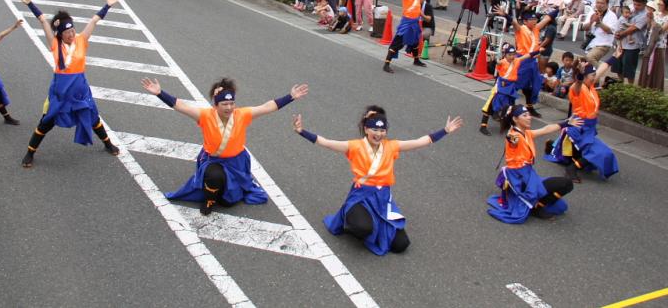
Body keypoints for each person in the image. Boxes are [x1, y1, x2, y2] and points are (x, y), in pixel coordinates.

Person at [292, 108, 462, 255]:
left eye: (382, 131)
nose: (378, 134)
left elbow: (420, 142)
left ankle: (374, 225)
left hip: (382, 199)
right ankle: (349, 218)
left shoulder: (392, 146)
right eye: (374, 129)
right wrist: (302, 131)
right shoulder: (355, 146)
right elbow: (327, 143)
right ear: (366, 129)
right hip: (361, 197)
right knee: (363, 228)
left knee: (401, 245)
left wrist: (445, 130)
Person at [143, 77, 308, 215]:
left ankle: (221, 192)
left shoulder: (242, 115)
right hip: (213, 161)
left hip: (236, 162)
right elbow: (181, 106)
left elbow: (267, 107)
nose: (229, 108)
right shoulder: (205, 116)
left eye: (231, 104)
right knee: (214, 178)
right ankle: (208, 199)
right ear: (216, 104)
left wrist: (290, 96)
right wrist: (159, 93)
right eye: (224, 104)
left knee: (228, 202)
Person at [16, 0, 121, 168]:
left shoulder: (81, 39)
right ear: (60, 34)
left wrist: (108, 5)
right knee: (46, 122)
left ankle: (108, 144)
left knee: (93, 118)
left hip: (80, 90)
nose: (72, 34)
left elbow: (94, 20)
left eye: (73, 30)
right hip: (60, 93)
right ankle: (30, 152)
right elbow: (43, 21)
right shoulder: (54, 44)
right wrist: (30, 4)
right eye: (67, 32)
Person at [487, 105, 580, 223]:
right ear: (515, 119)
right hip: (519, 179)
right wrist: (511, 138)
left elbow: (546, 129)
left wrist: (566, 123)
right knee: (565, 184)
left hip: (528, 175)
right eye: (524, 115)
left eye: (529, 115)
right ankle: (537, 207)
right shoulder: (513, 135)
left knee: (564, 190)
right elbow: (512, 140)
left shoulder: (527, 133)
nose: (529, 117)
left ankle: (537, 203)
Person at [545, 53, 620, 181]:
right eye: (592, 76)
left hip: (589, 127)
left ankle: (553, 147)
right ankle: (571, 170)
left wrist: (615, 56)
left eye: (594, 75)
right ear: (584, 77)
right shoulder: (577, 88)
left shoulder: (590, 85)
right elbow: (578, 82)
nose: (595, 77)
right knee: (600, 152)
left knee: (580, 154)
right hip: (579, 126)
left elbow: (602, 68)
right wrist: (579, 75)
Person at [494, 7, 551, 116]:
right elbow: (514, 23)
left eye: (535, 19)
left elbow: (547, 18)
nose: (534, 21)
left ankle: (529, 107)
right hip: (522, 61)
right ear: (525, 21)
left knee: (531, 87)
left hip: (532, 62)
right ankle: (497, 109)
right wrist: (506, 14)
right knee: (512, 86)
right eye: (531, 19)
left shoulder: (536, 28)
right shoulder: (520, 29)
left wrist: (558, 9)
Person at [478, 44, 535, 135]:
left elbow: (526, 56)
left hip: (511, 87)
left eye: (513, 54)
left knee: (511, 106)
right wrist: (495, 61)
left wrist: (538, 51)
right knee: (490, 105)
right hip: (501, 86)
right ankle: (483, 126)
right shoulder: (502, 62)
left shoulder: (516, 60)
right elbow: (496, 64)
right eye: (509, 55)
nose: (512, 57)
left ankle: (507, 123)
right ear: (505, 55)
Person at [382, 0, 436, 72]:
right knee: (397, 43)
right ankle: (386, 64)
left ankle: (416, 60)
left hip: (415, 23)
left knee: (415, 42)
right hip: (406, 23)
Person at [612, 0, 649, 84]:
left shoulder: (645, 15)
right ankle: (620, 84)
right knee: (618, 66)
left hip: (633, 45)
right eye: (635, 4)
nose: (636, 6)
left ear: (645, 4)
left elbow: (634, 28)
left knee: (629, 69)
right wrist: (617, 34)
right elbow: (621, 21)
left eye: (639, 5)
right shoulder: (630, 9)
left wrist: (620, 34)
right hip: (621, 43)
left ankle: (630, 88)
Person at [637, 0, 668, 90]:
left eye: (661, 4)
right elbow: (649, 27)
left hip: (659, 45)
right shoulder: (656, 14)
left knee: (657, 67)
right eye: (658, 4)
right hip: (650, 43)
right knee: (646, 64)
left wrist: (652, 20)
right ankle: (644, 85)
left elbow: (661, 30)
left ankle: (655, 88)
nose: (659, 6)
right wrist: (650, 20)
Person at [582, 0, 617, 67]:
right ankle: (594, 76)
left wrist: (599, 23)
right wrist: (591, 21)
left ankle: (600, 71)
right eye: (597, 2)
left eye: (602, 3)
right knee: (585, 64)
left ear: (607, 4)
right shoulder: (592, 12)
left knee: (590, 58)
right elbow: (584, 28)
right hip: (590, 42)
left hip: (603, 44)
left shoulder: (612, 16)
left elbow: (610, 31)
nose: (599, 5)